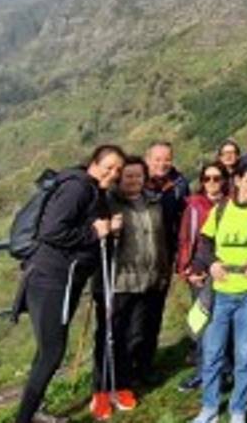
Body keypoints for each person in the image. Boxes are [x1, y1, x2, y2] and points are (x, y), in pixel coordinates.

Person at [14, 145, 125, 423]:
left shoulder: (91, 189)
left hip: (60, 279)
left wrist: (108, 229)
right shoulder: (78, 188)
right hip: (52, 280)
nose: (112, 174)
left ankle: (33, 411)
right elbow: (52, 230)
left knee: (46, 351)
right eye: (108, 167)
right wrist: (94, 231)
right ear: (94, 163)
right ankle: (24, 418)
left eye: (117, 170)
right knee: (52, 353)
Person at [191, 163, 247, 423]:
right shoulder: (221, 209)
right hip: (220, 292)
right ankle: (209, 408)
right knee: (212, 352)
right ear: (237, 181)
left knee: (245, 354)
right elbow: (205, 241)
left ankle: (238, 409)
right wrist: (212, 263)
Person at [88, 155, 170, 420]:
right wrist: (110, 230)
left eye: (138, 176)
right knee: (109, 337)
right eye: (128, 175)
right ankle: (100, 391)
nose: (133, 180)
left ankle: (122, 386)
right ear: (120, 177)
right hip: (116, 281)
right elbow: (95, 235)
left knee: (133, 336)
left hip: (145, 282)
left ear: (145, 178)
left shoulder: (154, 203)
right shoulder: (108, 202)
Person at [176, 161, 229, 391]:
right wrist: (187, 270)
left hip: (226, 272)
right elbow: (186, 240)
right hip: (201, 273)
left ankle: (223, 371)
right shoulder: (195, 207)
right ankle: (204, 372)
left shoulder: (232, 205)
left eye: (216, 178)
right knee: (202, 324)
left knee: (223, 323)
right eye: (207, 178)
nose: (212, 183)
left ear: (224, 180)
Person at [144, 141, 190, 261]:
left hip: (167, 247)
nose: (162, 164)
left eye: (167, 160)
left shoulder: (180, 184)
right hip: (139, 247)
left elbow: (184, 217)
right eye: (157, 160)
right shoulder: (136, 182)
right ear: (147, 160)